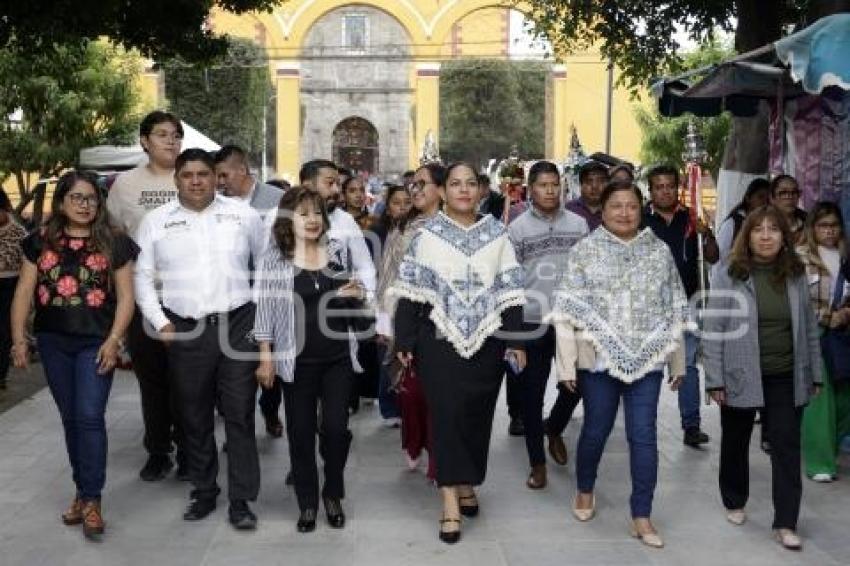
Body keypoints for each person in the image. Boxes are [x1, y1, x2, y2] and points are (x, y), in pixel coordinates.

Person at [391, 162, 526, 544]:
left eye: (470, 183)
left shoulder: (498, 235)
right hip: (437, 343)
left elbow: (511, 291)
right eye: (455, 184)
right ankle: (449, 499)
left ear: (481, 190)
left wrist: (516, 341)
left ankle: (466, 481)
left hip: (489, 340)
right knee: (446, 417)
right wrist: (404, 343)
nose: (464, 190)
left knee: (476, 416)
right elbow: (411, 295)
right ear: (443, 191)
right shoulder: (426, 236)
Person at [550, 180, 688, 549]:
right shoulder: (585, 251)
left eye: (631, 206)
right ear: (604, 211)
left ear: (641, 210)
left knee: (643, 435)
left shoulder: (658, 251)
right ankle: (585, 488)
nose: (624, 213)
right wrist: (566, 367)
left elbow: (674, 308)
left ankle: (641, 514)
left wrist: (678, 362)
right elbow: (567, 311)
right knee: (596, 429)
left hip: (648, 360)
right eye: (616, 206)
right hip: (597, 361)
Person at [134, 148, 267, 530]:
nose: (196, 181)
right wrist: (160, 322)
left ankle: (241, 500)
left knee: (240, 413)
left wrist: (259, 317)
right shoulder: (156, 221)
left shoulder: (242, 215)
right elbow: (142, 276)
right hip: (186, 329)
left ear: (215, 177)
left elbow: (265, 264)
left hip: (238, 324)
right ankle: (204, 491)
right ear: (176, 179)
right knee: (193, 415)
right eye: (188, 174)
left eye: (203, 174)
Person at [11, 170, 137, 540]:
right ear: (62, 202)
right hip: (53, 342)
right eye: (77, 198)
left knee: (89, 416)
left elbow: (126, 297)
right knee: (71, 419)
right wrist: (19, 339)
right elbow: (24, 291)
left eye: (91, 198)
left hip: (95, 343)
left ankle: (93, 499)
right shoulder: (39, 241)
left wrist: (115, 340)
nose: (84, 205)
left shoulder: (115, 241)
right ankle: (82, 492)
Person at [703, 205, 822, 551]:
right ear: (747, 236)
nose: (766, 236)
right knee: (735, 440)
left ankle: (786, 522)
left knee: (786, 446)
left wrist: (815, 372)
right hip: (740, 372)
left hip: (786, 374)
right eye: (758, 229)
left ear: (785, 236)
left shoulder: (795, 273)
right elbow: (714, 328)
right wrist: (714, 379)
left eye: (774, 229)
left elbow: (809, 328)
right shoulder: (729, 273)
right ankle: (734, 499)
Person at [254, 187, 364, 533]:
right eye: (303, 214)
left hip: (337, 358)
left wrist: (356, 292)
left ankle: (332, 492)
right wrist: (265, 357)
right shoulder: (275, 260)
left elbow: (351, 296)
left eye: (317, 212)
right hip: (296, 362)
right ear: (288, 220)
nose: (312, 220)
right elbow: (265, 310)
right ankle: (307, 502)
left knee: (335, 430)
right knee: (300, 434)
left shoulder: (336, 250)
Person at [105, 110, 185, 482]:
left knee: (187, 379)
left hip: (187, 298)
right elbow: (114, 236)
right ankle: (158, 450)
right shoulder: (125, 185)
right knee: (151, 380)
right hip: (142, 296)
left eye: (176, 135)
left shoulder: (192, 176)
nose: (171, 140)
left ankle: (190, 449)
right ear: (144, 141)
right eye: (163, 134)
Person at [508, 161, 588, 489]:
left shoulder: (579, 225)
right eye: (543, 185)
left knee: (579, 384)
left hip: (570, 320)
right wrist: (513, 334)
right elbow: (510, 282)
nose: (550, 190)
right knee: (531, 396)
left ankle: (553, 427)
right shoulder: (517, 229)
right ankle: (537, 464)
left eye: (555, 184)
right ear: (531, 189)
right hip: (531, 321)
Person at [377, 163, 445, 473]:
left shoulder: (459, 226)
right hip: (409, 320)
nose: (414, 190)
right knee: (412, 393)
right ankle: (414, 438)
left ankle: (439, 458)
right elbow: (388, 276)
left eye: (421, 184)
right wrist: (385, 321)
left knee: (441, 396)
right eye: (412, 185)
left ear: (440, 189)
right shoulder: (403, 227)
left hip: (448, 323)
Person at [213, 144, 285, 438]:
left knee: (270, 359)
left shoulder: (276, 199)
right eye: (217, 176)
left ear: (242, 170)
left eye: (224, 175)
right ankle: (237, 427)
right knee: (235, 366)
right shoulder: (215, 204)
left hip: (270, 296)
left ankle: (270, 410)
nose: (219, 182)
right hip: (232, 299)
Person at [644, 164, 718, 448]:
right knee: (650, 367)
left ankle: (691, 426)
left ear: (677, 188)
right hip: (651, 306)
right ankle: (644, 424)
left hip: (688, 301)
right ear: (650, 191)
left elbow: (713, 257)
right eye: (659, 187)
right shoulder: (640, 220)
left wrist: (706, 234)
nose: (665, 191)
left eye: (669, 186)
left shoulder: (692, 218)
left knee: (686, 365)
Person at [796, 202, 850, 482]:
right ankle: (820, 463)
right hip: (813, 334)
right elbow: (797, 301)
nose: (829, 231)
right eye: (823, 225)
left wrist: (846, 313)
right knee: (820, 399)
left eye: (834, 225)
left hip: (843, 335)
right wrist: (830, 317)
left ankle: (823, 443)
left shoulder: (846, 255)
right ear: (812, 228)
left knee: (844, 398)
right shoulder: (800, 257)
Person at [370, 185, 411, 425]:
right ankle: (389, 407)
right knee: (386, 353)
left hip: (407, 300)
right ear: (387, 207)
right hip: (385, 299)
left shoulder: (415, 230)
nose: (402, 207)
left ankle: (406, 405)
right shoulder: (378, 231)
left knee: (405, 355)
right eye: (396, 202)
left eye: (407, 202)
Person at [0, 188, 26, 390]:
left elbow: (27, 264)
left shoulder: (19, 233)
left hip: (10, 286)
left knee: (4, 331)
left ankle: (0, 375)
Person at [715, 178, 770, 264]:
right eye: (760, 197)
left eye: (768, 199)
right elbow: (718, 256)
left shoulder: (768, 223)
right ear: (748, 198)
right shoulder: (733, 223)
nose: (765, 202)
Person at [565, 161, 607, 231]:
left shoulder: (614, 211)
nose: (595, 186)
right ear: (581, 185)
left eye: (600, 181)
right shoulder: (569, 209)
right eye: (589, 181)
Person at [769, 174, 807, 245]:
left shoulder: (809, 223)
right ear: (772, 198)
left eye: (794, 192)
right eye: (783, 193)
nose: (789, 197)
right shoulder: (764, 225)